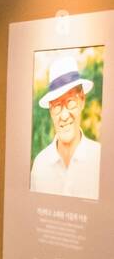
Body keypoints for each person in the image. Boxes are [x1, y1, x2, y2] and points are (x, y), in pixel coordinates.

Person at [30, 57, 101, 200]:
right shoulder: (40, 165)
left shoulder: (101, 159)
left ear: (82, 100)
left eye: (70, 102)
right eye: (57, 106)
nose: (64, 115)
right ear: (50, 110)